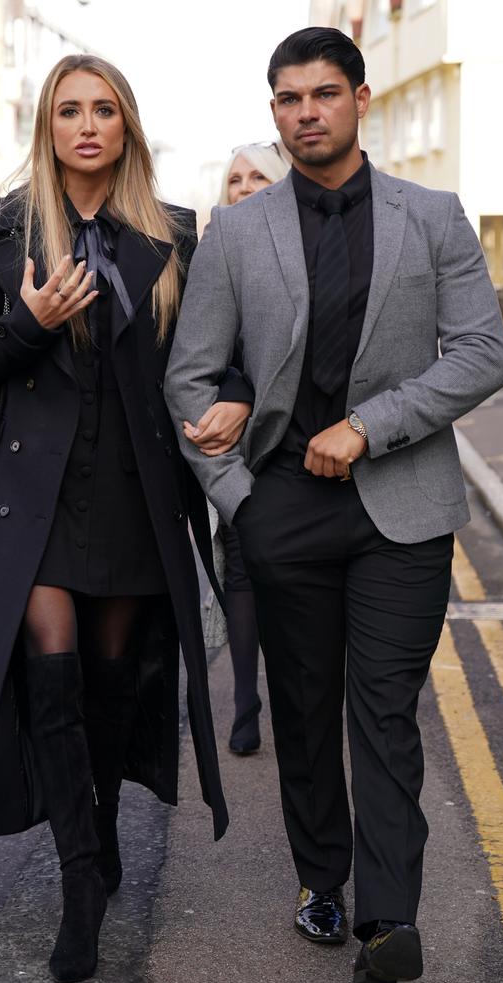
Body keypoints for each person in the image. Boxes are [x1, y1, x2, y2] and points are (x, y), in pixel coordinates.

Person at [165, 27, 503, 983]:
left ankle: (388, 916)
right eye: (286, 98)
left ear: (359, 98)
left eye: (321, 93)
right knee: (305, 710)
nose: (304, 112)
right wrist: (240, 502)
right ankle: (321, 878)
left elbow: (482, 353)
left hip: (399, 503)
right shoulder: (235, 232)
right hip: (281, 506)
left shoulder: (432, 215)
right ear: (273, 111)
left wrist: (367, 424)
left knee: (384, 709)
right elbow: (189, 377)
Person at [0, 53, 249, 983]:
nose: (86, 125)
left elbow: (223, 356)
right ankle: (81, 882)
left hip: (132, 487)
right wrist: (30, 322)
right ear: (47, 126)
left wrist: (234, 395)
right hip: (33, 493)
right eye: (69, 110)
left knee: (114, 684)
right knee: (54, 675)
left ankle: (104, 820)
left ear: (126, 127)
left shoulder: (179, 235)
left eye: (103, 110)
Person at [205, 142, 289, 754]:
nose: (244, 186)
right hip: (235, 445)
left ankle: (295, 692)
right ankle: (244, 700)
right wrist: (233, 391)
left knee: (292, 579)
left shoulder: (304, 248)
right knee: (240, 568)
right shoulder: (215, 247)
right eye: (235, 178)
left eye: (259, 174)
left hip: (297, 442)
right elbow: (205, 347)